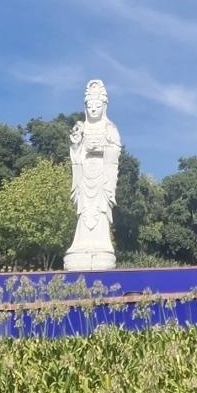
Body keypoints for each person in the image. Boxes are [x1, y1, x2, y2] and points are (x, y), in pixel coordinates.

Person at [64, 79, 122, 270]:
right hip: (85, 173)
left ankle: (102, 246)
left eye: (97, 106)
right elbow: (76, 152)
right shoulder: (82, 127)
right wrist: (75, 144)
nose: (93, 109)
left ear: (104, 106)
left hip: (101, 176)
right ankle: (80, 245)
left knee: (100, 210)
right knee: (84, 210)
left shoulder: (110, 128)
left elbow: (115, 152)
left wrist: (101, 150)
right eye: (90, 106)